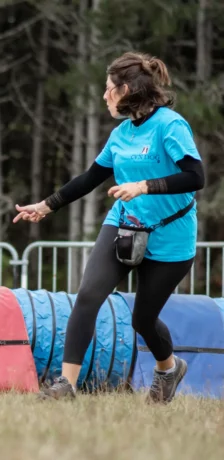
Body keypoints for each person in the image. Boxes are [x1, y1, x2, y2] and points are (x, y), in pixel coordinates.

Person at [13, 51, 205, 404]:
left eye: (108, 89)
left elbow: (196, 176)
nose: (105, 96)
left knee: (143, 320)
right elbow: (91, 178)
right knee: (87, 296)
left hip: (171, 238)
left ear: (127, 89)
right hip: (124, 225)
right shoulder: (120, 134)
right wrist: (46, 205)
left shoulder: (169, 125)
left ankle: (169, 367)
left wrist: (145, 185)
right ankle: (65, 385)